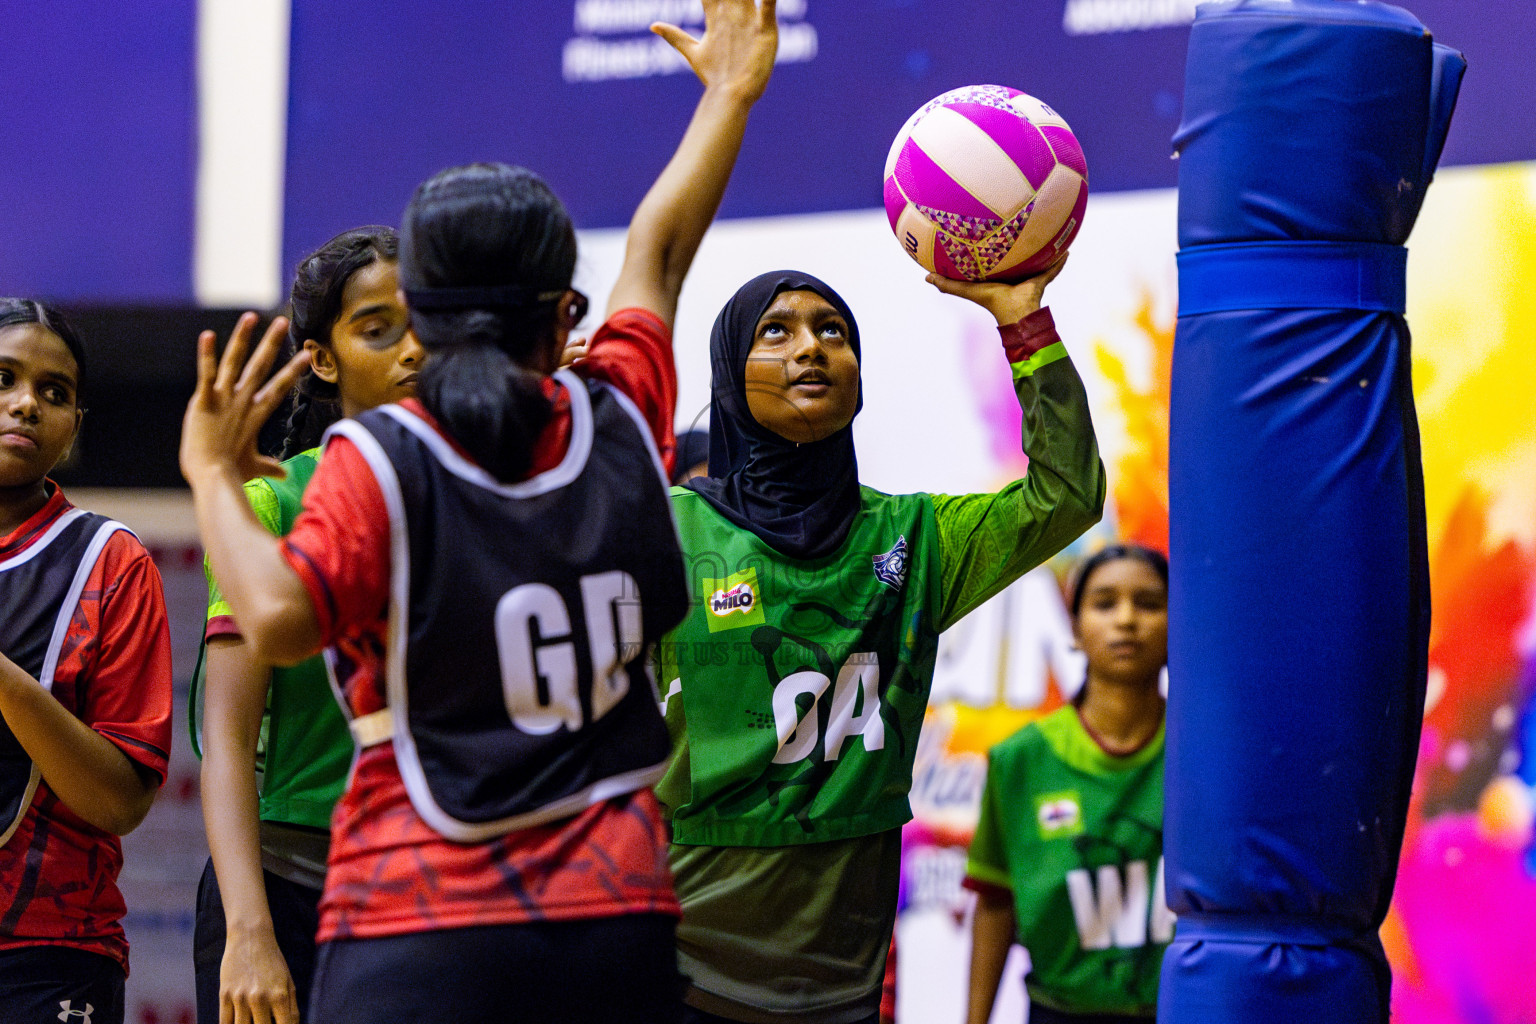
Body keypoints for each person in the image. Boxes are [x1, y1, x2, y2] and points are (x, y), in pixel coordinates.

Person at [178, 2, 778, 1020]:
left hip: (418, 916)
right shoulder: (621, 411)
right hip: (613, 918)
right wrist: (729, 93)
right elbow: (661, 250)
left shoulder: (378, 458)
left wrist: (209, 473)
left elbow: (277, 618)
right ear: (561, 312)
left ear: (419, 314)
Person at [655, 259, 1106, 1023]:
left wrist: (1023, 322)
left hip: (847, 986)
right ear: (729, 374)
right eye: (777, 331)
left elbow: (1066, 494)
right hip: (683, 972)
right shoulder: (668, 527)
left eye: (833, 331)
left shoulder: (915, 537)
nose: (811, 348)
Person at [190, 227, 420, 1024]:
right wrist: (249, 933)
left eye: (426, 322)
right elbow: (227, 740)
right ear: (322, 359)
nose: (413, 349)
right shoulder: (275, 502)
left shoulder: (490, 492)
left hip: (440, 887)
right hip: (289, 887)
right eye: (377, 328)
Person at [0, 299, 173, 1024]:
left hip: (44, 952)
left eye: (54, 392)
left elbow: (118, 803)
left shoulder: (111, 562)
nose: (26, 404)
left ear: (75, 424)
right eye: (4, 378)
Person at [964, 544, 1171, 1024]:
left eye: (1148, 604)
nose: (1126, 620)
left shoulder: (1208, 752)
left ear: (1177, 624)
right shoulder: (1020, 759)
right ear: (1074, 628)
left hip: (1179, 1011)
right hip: (1058, 1012)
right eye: (1104, 603)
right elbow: (995, 903)